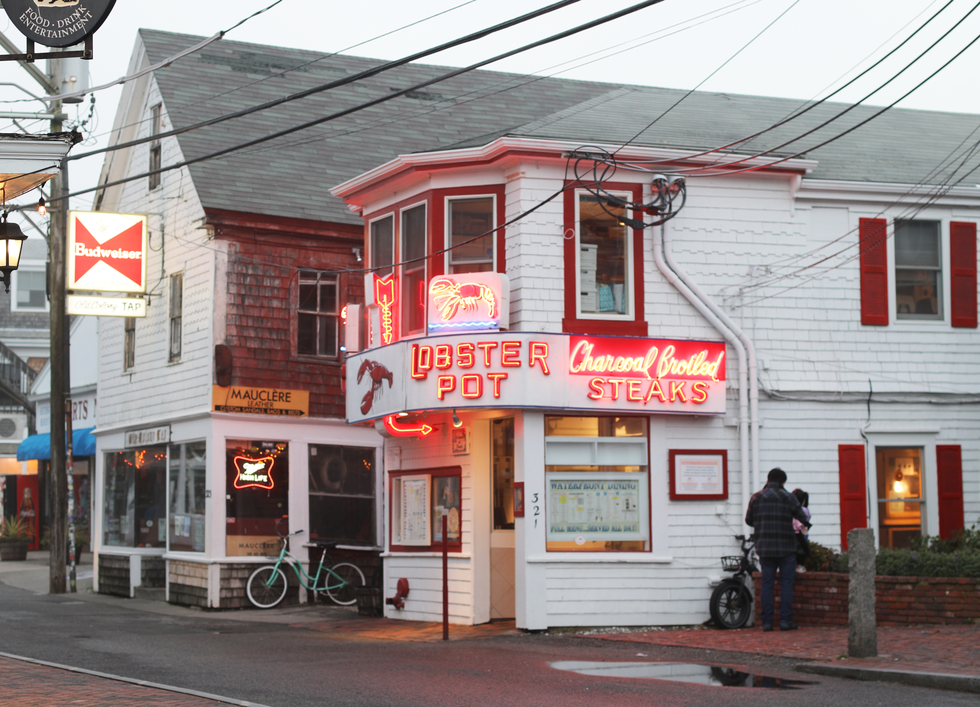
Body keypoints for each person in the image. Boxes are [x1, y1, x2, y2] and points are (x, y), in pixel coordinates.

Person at [745, 468, 810, 632]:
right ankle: (785, 621)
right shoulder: (789, 497)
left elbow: (749, 520)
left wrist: (762, 523)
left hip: (765, 547)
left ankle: (767, 623)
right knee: (786, 584)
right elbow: (803, 518)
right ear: (783, 482)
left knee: (767, 584)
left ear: (768, 480)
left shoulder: (756, 497)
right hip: (787, 548)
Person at [792, 488, 811, 573]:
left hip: (797, 532)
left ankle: (799, 566)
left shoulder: (798, 509)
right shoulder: (805, 509)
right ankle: (801, 566)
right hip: (804, 532)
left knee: (798, 550)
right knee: (802, 549)